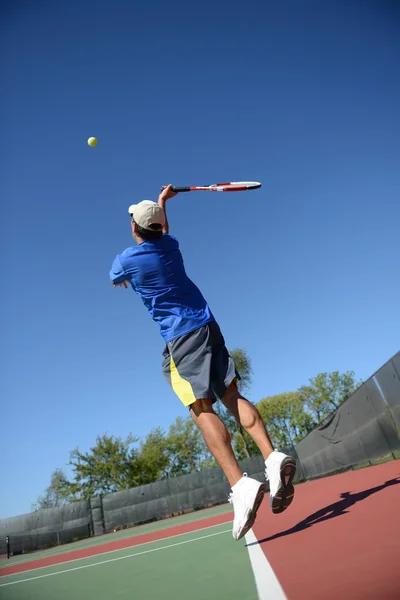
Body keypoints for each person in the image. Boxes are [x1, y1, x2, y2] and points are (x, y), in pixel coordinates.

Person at [109, 184, 297, 540]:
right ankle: (272, 457)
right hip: (208, 326)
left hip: (180, 339)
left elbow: (115, 276)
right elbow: (161, 232)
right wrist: (162, 202)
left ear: (135, 228)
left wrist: (127, 277)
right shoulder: (170, 246)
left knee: (200, 407)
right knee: (232, 395)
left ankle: (240, 485)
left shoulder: (126, 260)